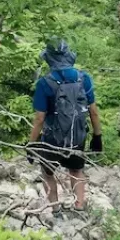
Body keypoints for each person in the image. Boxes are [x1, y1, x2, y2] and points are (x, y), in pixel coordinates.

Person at [26, 39, 103, 211]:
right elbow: (94, 112)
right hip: (78, 137)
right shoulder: (84, 79)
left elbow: (39, 118)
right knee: (76, 171)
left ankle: (55, 209)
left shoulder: (45, 83)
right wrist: (97, 137)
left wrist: (31, 144)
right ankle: (79, 206)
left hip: (52, 139)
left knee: (47, 172)